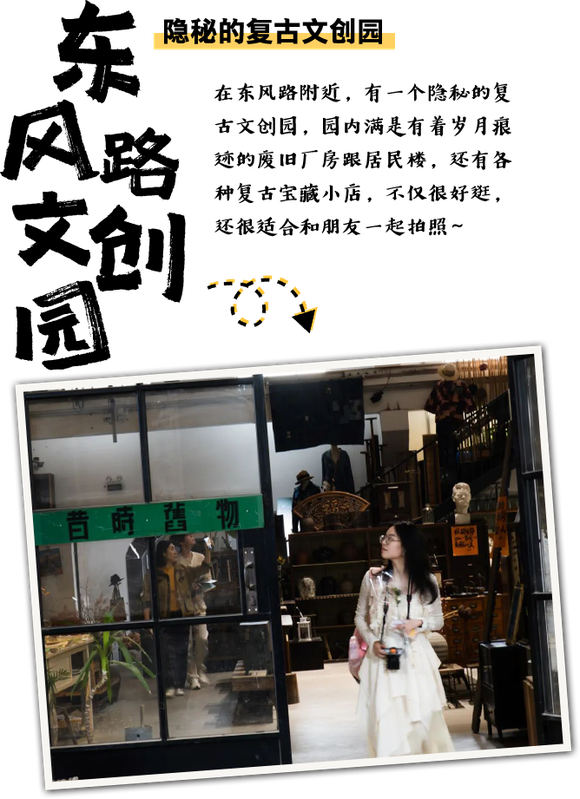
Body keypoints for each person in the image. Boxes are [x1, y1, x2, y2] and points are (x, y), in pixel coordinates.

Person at [354, 520, 454, 757]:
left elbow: (437, 621)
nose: (384, 542)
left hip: (416, 658)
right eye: (384, 538)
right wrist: (372, 641)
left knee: (422, 719)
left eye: (391, 538)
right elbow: (359, 617)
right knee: (388, 719)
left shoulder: (426, 580)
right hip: (382, 659)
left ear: (407, 545)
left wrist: (417, 623)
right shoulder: (372, 578)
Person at [142, 539, 206, 698]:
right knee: (166, 652)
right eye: (171, 549)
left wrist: (208, 551)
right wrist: (148, 622)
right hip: (164, 617)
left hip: (182, 614)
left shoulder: (181, 569)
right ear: (164, 553)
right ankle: (169, 685)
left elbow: (201, 570)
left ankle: (179, 684)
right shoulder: (153, 575)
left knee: (182, 652)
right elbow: (147, 600)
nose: (175, 552)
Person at [172, 533, 212, 689]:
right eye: (189, 535)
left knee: (202, 639)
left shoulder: (200, 557)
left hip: (199, 606)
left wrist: (198, 589)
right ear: (182, 542)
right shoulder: (176, 561)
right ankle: (192, 676)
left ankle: (201, 668)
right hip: (183, 607)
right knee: (187, 644)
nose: (192, 537)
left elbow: (209, 581)